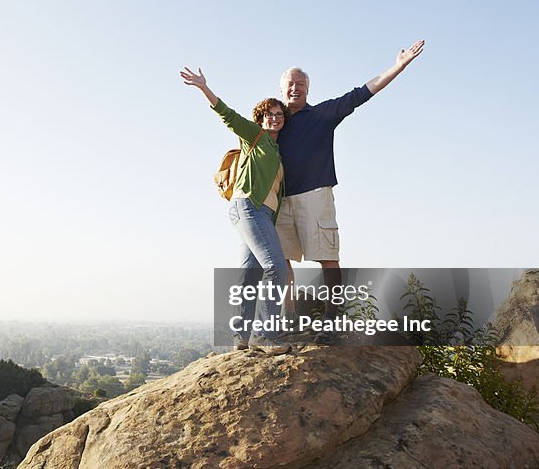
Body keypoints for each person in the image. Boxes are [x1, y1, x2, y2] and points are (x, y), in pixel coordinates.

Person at [276, 40, 425, 333]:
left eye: (300, 84)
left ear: (308, 88)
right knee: (281, 260)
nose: (295, 88)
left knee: (328, 257)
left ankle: (332, 317)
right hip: (282, 199)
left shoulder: (322, 114)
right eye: (290, 84)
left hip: (316, 195)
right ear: (282, 89)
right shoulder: (274, 121)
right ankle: (288, 316)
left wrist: (398, 66)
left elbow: (362, 93)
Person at [181, 66, 290, 351]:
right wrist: (204, 88)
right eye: (269, 114)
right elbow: (227, 115)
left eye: (279, 115)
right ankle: (266, 336)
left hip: (260, 214)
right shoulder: (255, 137)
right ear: (260, 118)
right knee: (276, 267)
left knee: (249, 273)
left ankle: (240, 338)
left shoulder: (278, 152)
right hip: (248, 207)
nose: (275, 119)